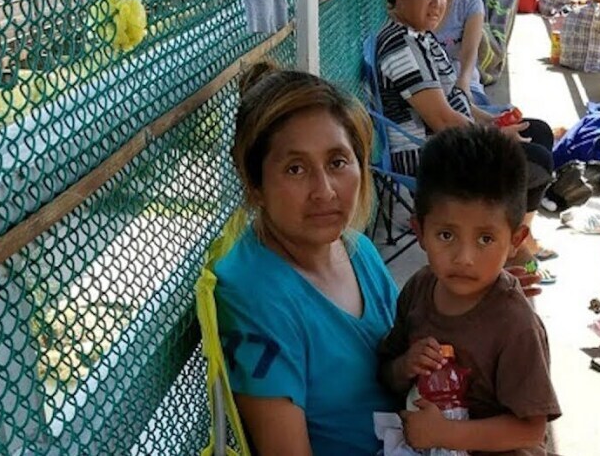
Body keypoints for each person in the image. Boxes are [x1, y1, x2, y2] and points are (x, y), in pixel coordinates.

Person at [213, 63, 543, 456]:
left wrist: (476, 300)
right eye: (295, 169)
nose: (324, 191)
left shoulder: (356, 250)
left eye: (337, 162)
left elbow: (409, 351)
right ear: (254, 183)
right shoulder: (255, 295)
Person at [378, 125, 562, 456]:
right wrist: (405, 365)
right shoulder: (419, 289)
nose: (464, 258)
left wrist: (445, 434)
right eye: (446, 235)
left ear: (515, 241)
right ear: (420, 232)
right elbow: (387, 373)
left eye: (485, 239)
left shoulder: (516, 325)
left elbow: (531, 430)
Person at [376, 0, 556, 272]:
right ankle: (509, 247)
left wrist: (491, 120)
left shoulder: (420, 36)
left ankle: (513, 242)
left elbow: (456, 98)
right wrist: (493, 136)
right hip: (431, 155)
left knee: (537, 130)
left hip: (455, 140)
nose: (437, 4)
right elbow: (442, 119)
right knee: (537, 161)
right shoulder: (400, 47)